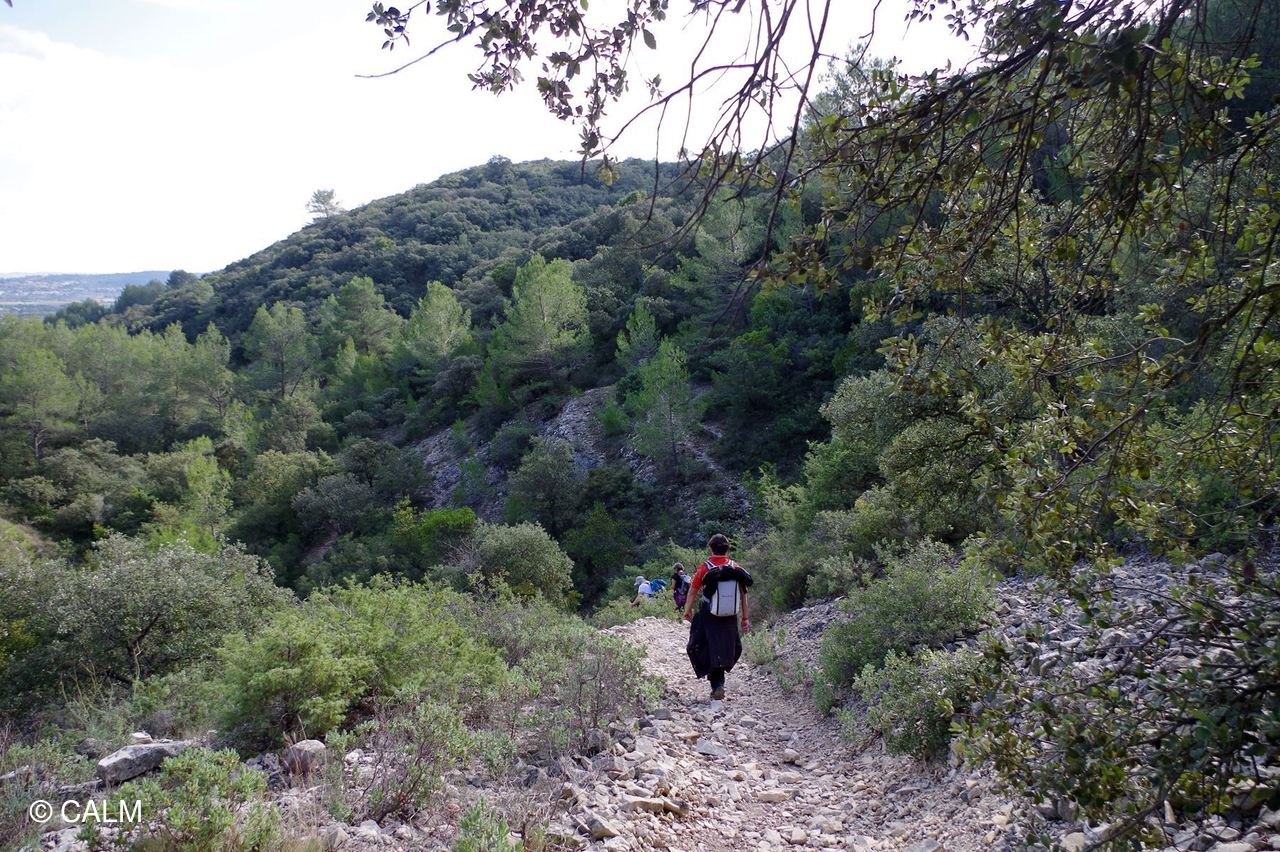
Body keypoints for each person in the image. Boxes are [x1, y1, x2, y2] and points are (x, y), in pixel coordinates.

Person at [683, 533, 752, 701]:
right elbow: (744, 595)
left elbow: (693, 591)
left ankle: (716, 685)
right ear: (728, 549)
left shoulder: (705, 568)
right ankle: (718, 684)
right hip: (730, 615)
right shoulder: (735, 567)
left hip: (709, 614)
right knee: (725, 647)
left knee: (704, 645)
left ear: (711, 549)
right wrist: (745, 618)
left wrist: (687, 610)